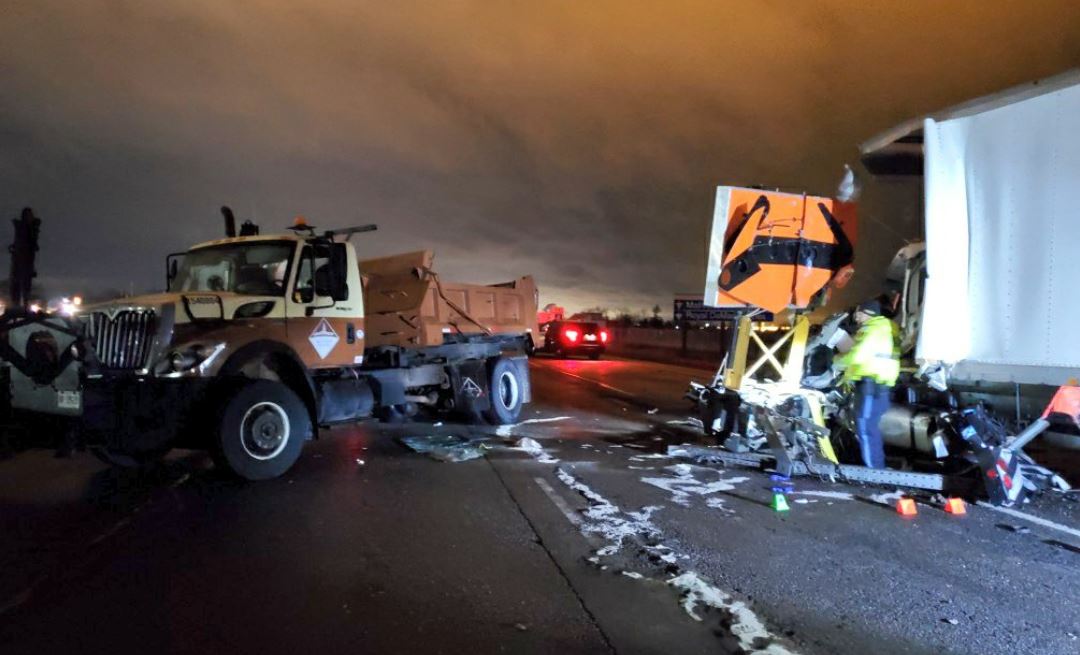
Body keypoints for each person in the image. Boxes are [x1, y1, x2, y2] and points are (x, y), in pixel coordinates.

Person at [835, 300, 900, 468]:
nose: (856, 315)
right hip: (875, 383)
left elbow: (858, 356)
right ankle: (874, 466)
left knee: (865, 425)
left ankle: (875, 470)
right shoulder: (882, 328)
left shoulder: (874, 329)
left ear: (867, 313)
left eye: (858, 312)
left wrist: (835, 362)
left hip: (872, 384)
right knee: (866, 426)